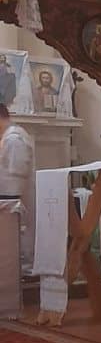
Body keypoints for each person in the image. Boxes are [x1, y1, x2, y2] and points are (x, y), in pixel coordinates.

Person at [0, 102, 35, 269]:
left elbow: (16, 174)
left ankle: (24, 269)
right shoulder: (8, 137)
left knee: (19, 236)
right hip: (10, 199)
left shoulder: (14, 139)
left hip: (15, 201)